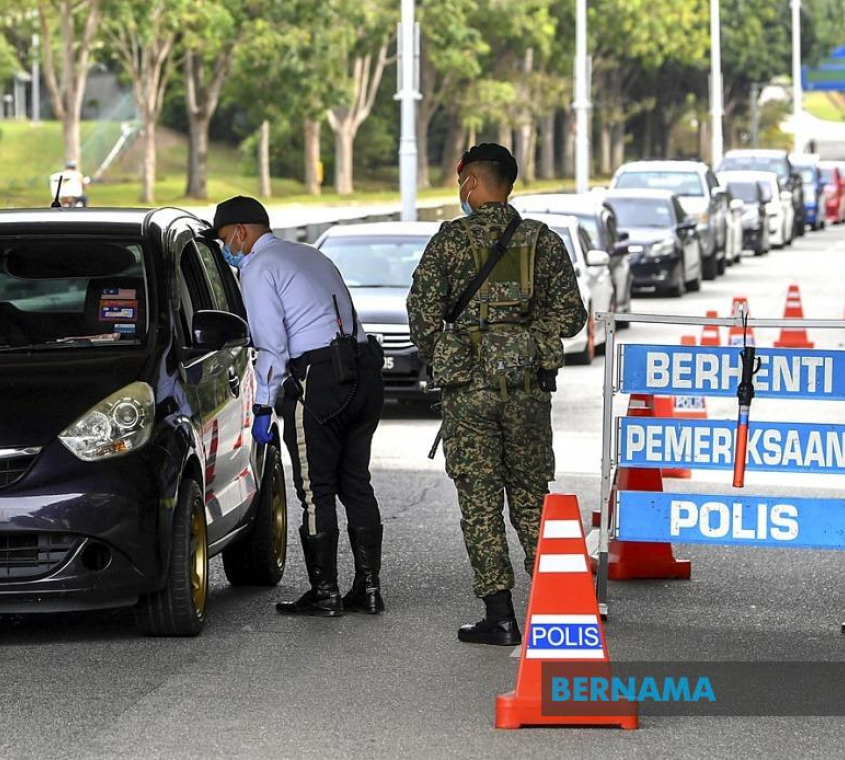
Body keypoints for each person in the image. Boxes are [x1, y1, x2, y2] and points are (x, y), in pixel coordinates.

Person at [406, 144, 587, 646]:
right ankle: (561, 607)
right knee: (531, 495)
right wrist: (526, 342)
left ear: (470, 182)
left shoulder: (450, 240)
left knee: (480, 499)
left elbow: (422, 315)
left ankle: (501, 617)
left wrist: (454, 354)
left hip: (468, 395)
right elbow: (572, 316)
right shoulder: (542, 240)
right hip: (527, 391)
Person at [213, 195, 386, 617]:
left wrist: (261, 408)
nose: (225, 248)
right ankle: (369, 589)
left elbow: (272, 349)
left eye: (224, 239)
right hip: (363, 374)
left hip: (319, 382)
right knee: (356, 484)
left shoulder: (258, 267)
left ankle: (325, 593)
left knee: (315, 490)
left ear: (240, 232)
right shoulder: (310, 255)